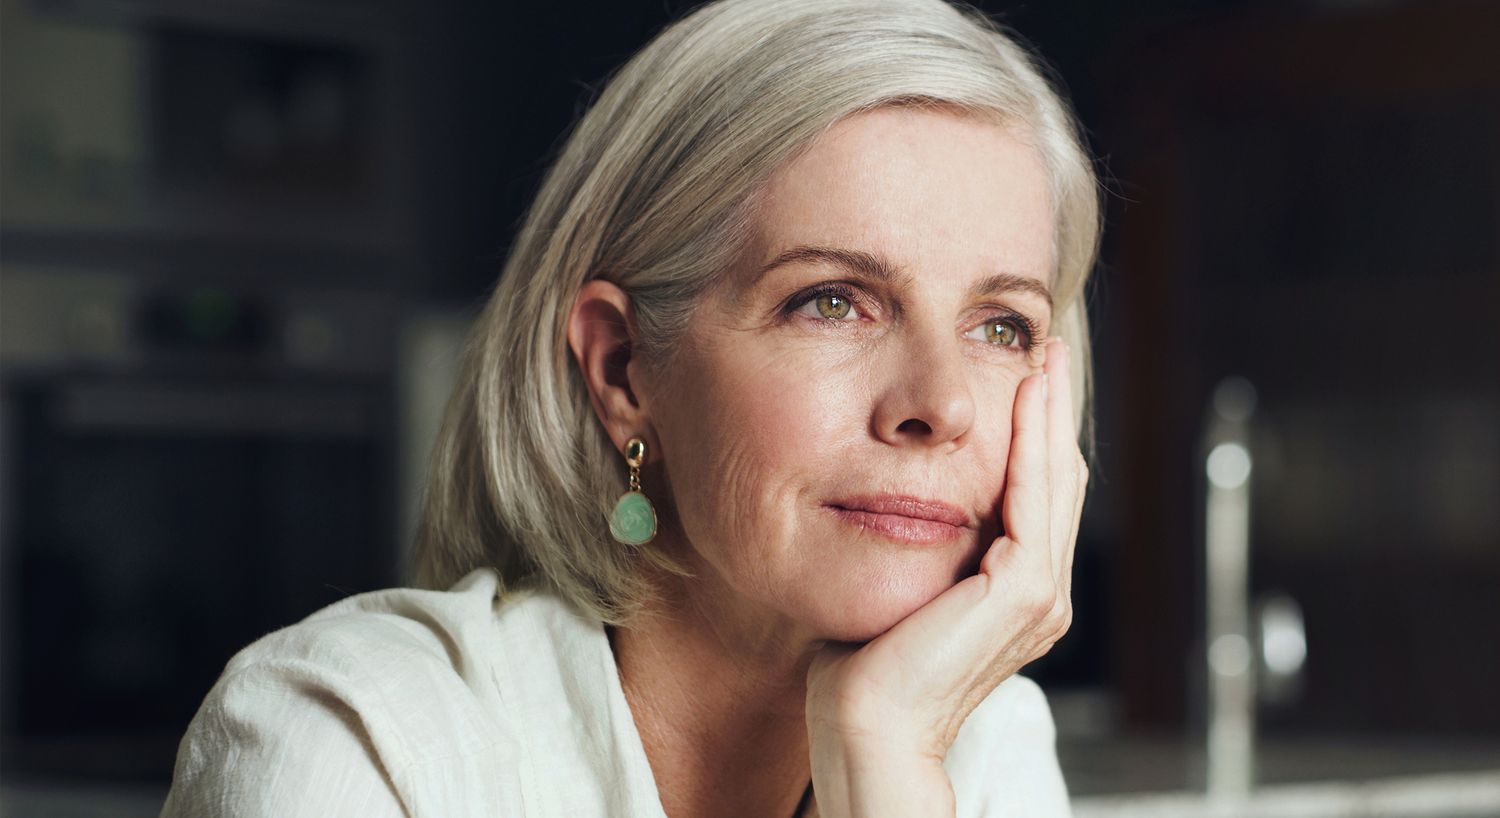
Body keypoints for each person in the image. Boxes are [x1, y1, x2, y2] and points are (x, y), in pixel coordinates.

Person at [160, 0, 1097, 815]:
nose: (938, 404)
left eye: (1001, 328)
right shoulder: (350, 742)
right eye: (832, 301)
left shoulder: (976, 738)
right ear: (622, 369)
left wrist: (885, 752)